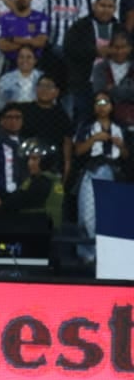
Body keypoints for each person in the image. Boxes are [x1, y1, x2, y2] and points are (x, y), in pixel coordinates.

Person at [74, 90, 127, 264]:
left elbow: (127, 155)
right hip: (92, 169)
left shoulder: (120, 128)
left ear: (112, 106)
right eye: (98, 102)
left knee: (111, 216)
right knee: (86, 215)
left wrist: (121, 145)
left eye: (105, 102)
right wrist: (94, 139)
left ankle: (111, 255)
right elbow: (78, 150)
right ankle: (89, 254)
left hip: (114, 171)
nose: (102, 106)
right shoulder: (87, 126)